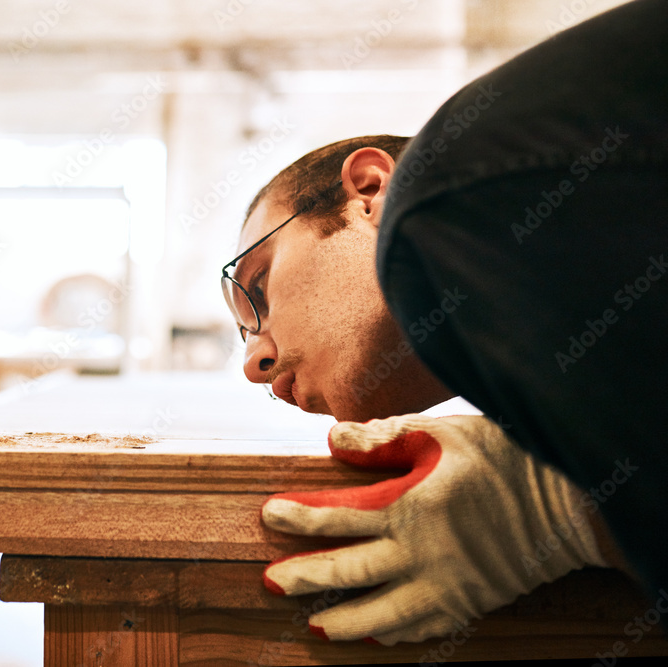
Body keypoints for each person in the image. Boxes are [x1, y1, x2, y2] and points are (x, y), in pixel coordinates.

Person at [221, 0, 666, 645]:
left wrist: (572, 511)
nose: (254, 362)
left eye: (259, 287)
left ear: (370, 191)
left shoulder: (437, 210)